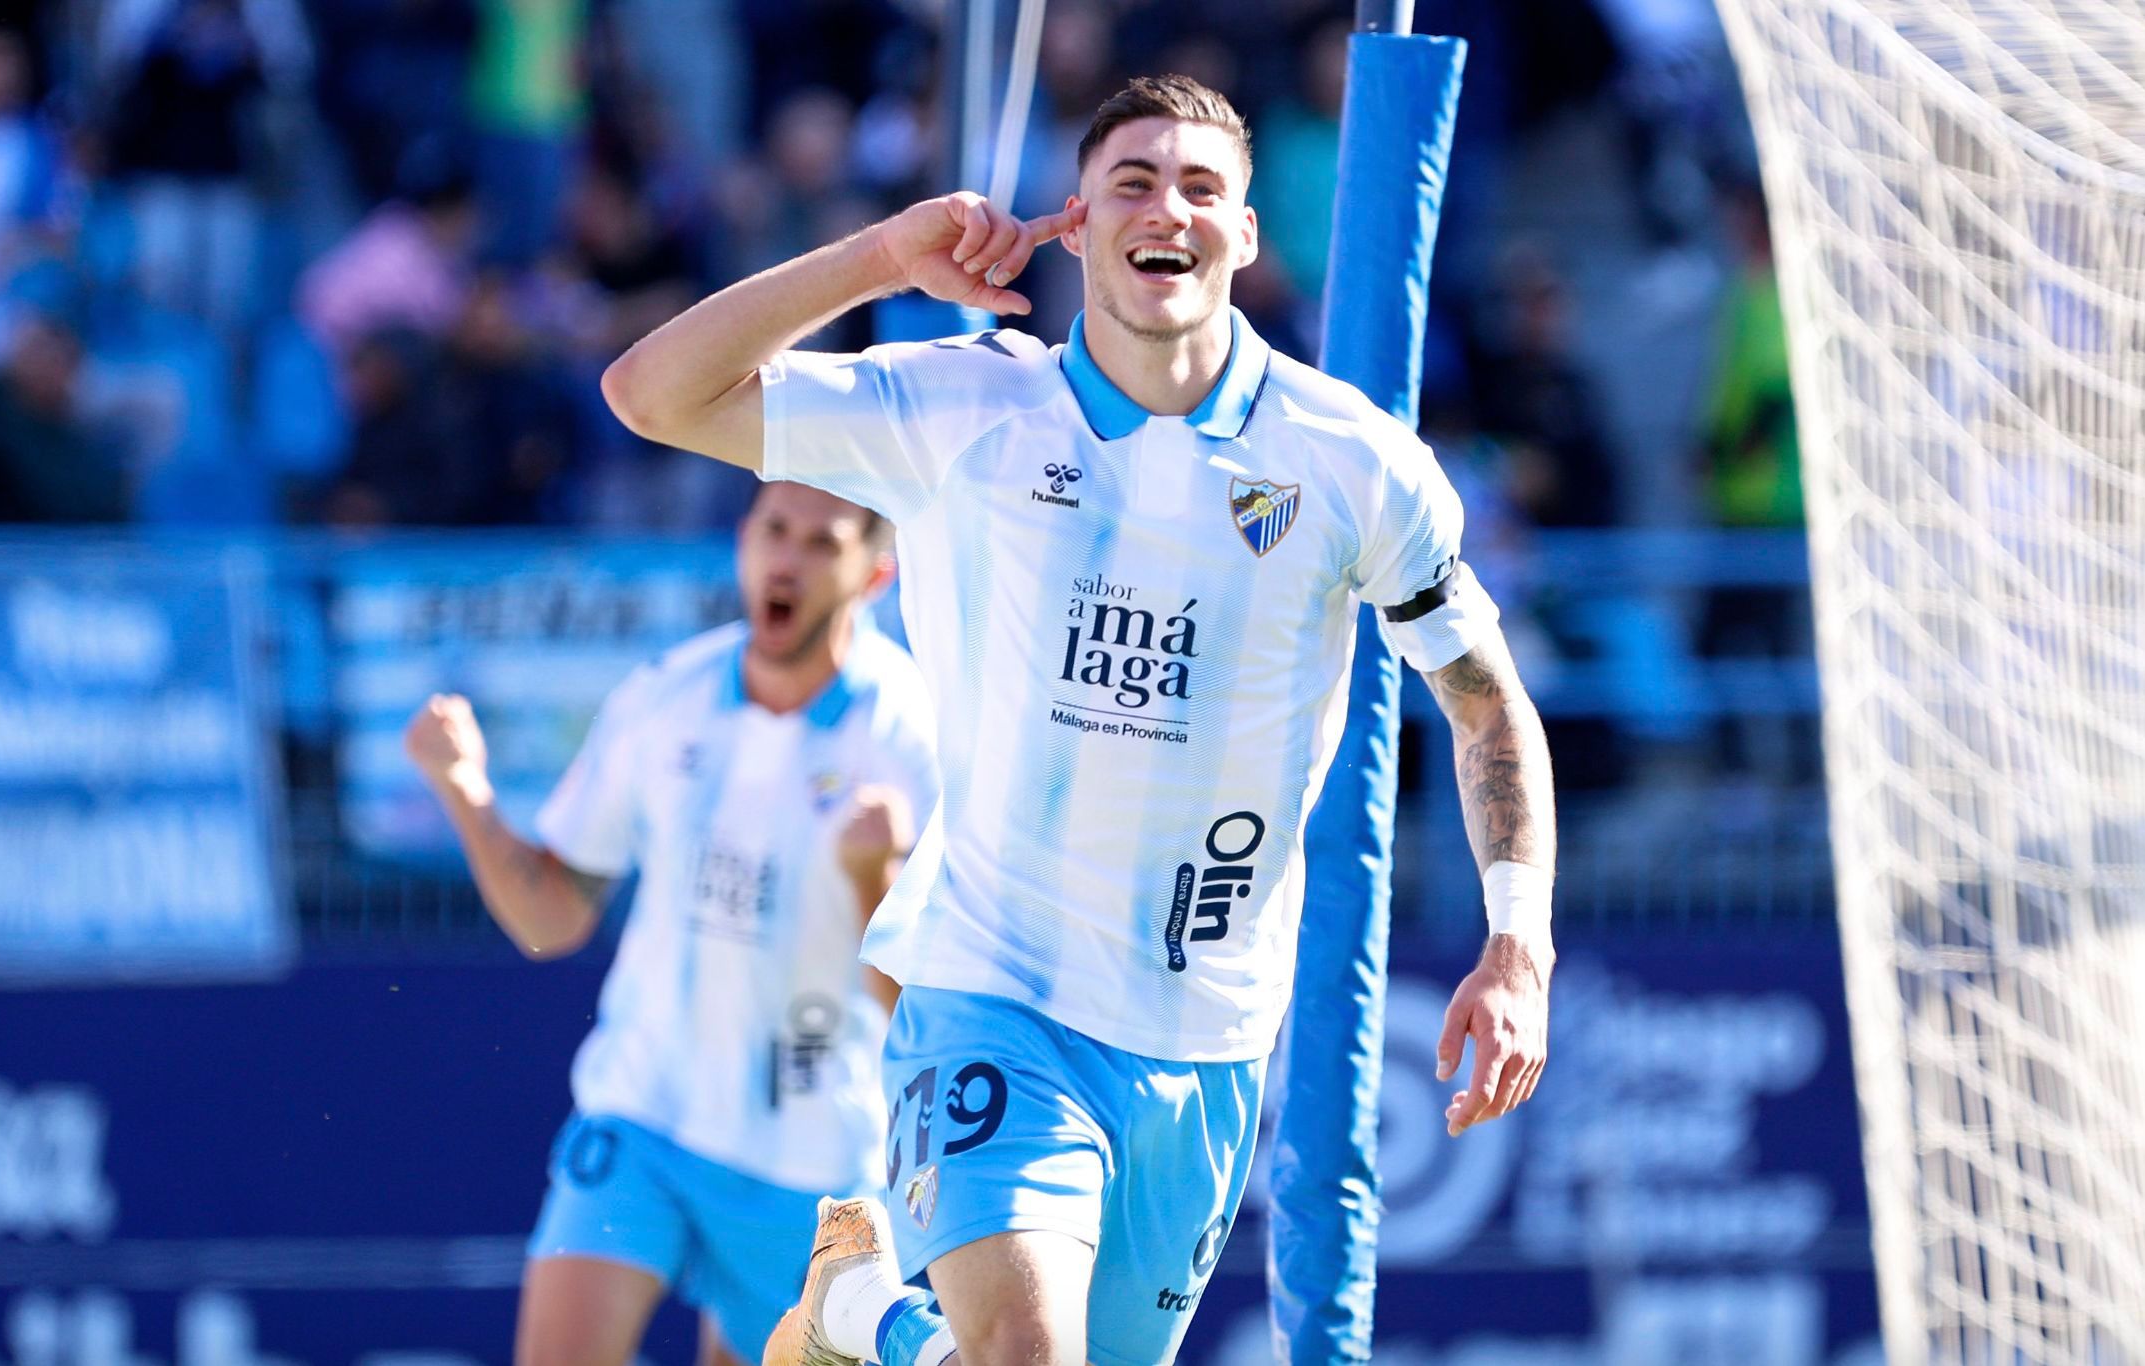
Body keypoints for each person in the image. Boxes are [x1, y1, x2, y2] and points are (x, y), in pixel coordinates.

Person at [601, 73, 1557, 1366]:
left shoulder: (1351, 462)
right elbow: (652, 391)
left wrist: (1519, 946)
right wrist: (881, 254)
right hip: (993, 986)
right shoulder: (964, 407)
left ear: (1249, 236)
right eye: (1135, 181)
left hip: (1203, 1038)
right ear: (1079, 221)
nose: (1169, 207)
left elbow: (1487, 701)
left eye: (1203, 187)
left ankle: (866, 1313)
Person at [401, 481, 937, 1366]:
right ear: (742, 543)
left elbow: (921, 1017)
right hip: (642, 1115)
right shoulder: (668, 696)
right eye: (773, 531)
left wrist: (874, 882)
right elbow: (552, 917)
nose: (787, 560)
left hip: (811, 1168)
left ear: (875, 575)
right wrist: (466, 794)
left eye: (820, 542)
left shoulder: (910, 732)